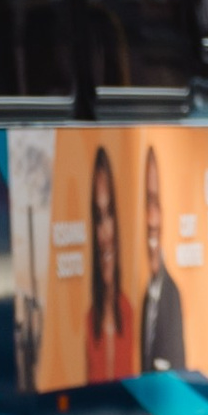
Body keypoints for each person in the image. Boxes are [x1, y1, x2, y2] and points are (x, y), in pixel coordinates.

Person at [83, 145, 133, 381]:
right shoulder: (88, 323)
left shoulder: (130, 313)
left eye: (109, 214)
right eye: (98, 217)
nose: (105, 233)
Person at [136, 146, 187, 373]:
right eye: (145, 205)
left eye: (155, 203)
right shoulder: (143, 297)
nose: (151, 220)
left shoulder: (170, 295)